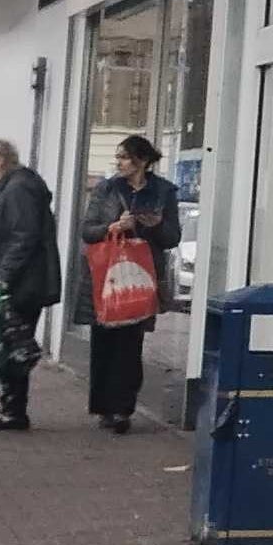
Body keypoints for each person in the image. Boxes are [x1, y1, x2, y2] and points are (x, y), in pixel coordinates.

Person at [79, 134, 181, 436]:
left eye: (125, 157)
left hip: (141, 275)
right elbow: (87, 230)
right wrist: (111, 227)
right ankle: (104, 407)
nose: (120, 163)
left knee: (131, 343)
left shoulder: (164, 192)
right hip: (107, 275)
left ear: (143, 161)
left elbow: (172, 237)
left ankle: (123, 408)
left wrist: (154, 225)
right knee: (104, 341)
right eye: (119, 157)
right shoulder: (106, 189)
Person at [0, 138, 60, 434]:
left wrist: (3, 276)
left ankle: (14, 411)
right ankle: (11, 409)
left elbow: (24, 236)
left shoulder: (18, 189)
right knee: (10, 343)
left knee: (14, 343)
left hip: (22, 284)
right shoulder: (9, 187)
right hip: (15, 280)